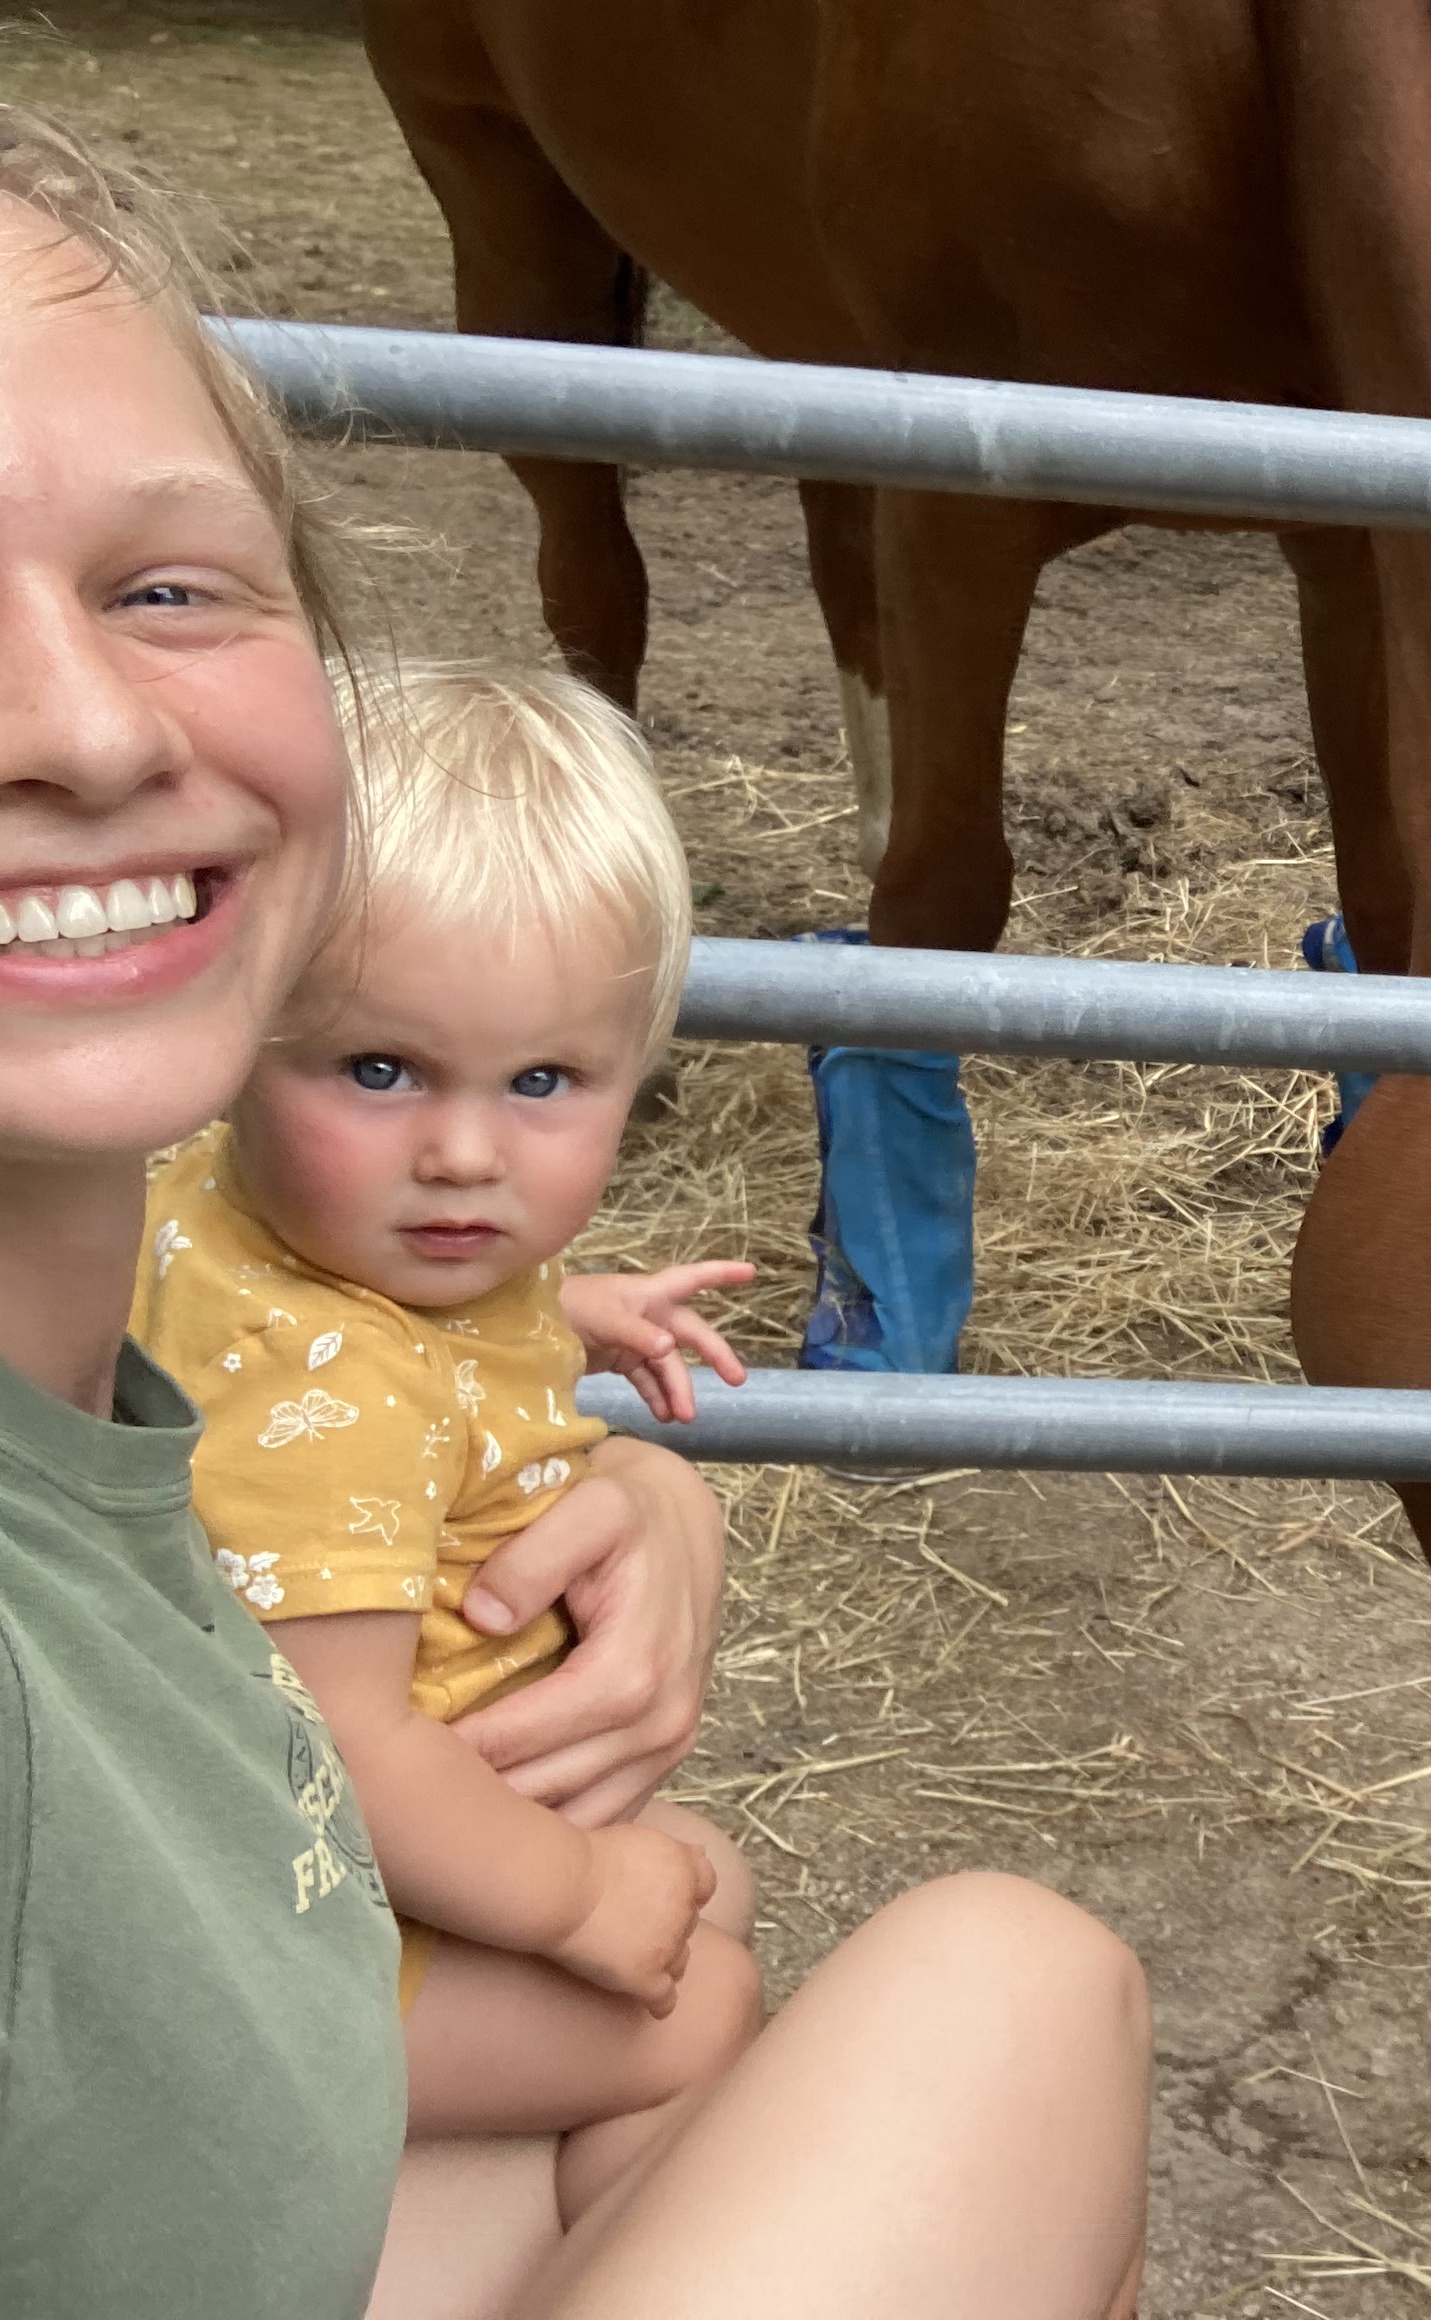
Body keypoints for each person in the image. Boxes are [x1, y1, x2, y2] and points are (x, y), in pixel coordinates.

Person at [0, 107, 1147, 2320]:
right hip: (377, 1937)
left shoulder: (178, 1243)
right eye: (380, 1069)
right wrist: (575, 1881)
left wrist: (606, 1432)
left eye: (165, 586)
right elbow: (350, 1669)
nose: (83, 727)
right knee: (967, 1979)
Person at [134, 662, 772, 2226]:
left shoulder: (232, 1211)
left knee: (710, 1881)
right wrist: (575, 1897)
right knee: (703, 1998)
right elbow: (348, 1748)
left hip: (332, 1882)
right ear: (244, 1022)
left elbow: (427, 1302)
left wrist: (576, 1307)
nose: (466, 1158)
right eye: (380, 1070)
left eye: (543, 1080)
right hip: (310, 1938)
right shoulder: (334, 1404)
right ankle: (580, 2268)